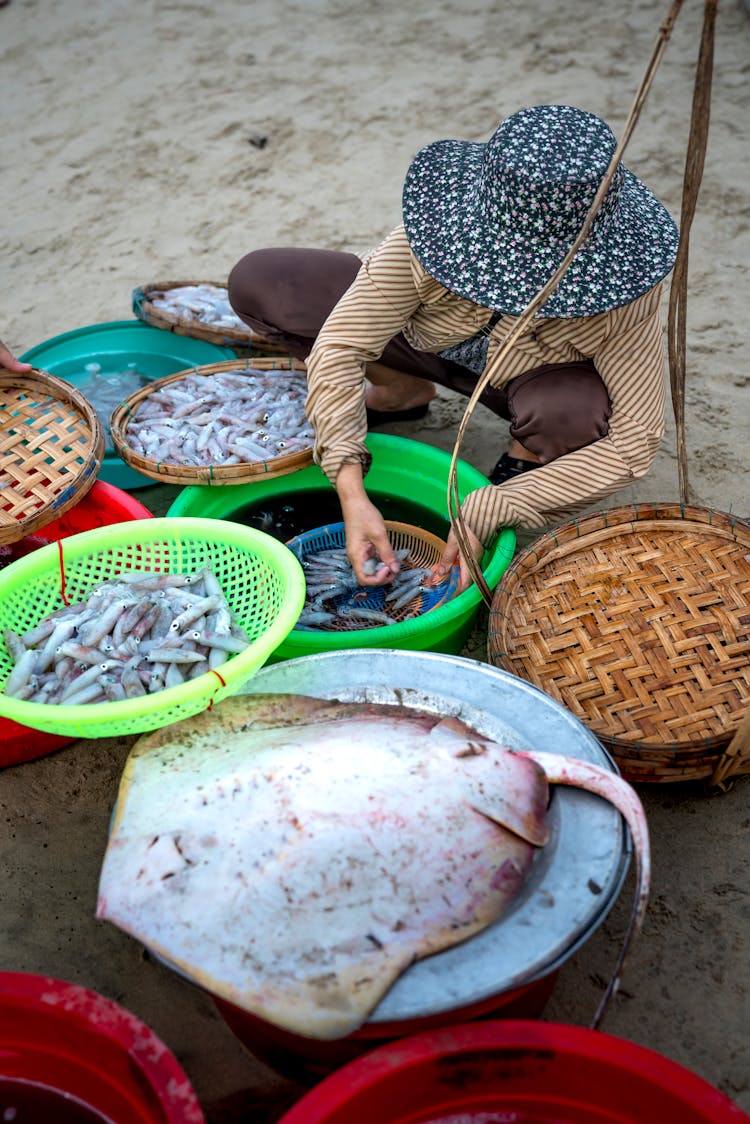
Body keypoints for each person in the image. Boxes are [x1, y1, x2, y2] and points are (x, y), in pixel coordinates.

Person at [227, 104, 679, 591]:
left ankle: (525, 451)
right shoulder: (440, 234)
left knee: (574, 410)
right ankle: (402, 391)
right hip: (417, 343)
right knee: (263, 280)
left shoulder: (620, 291)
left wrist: (488, 507)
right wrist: (351, 490)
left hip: (528, 383)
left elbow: (634, 444)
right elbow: (341, 346)